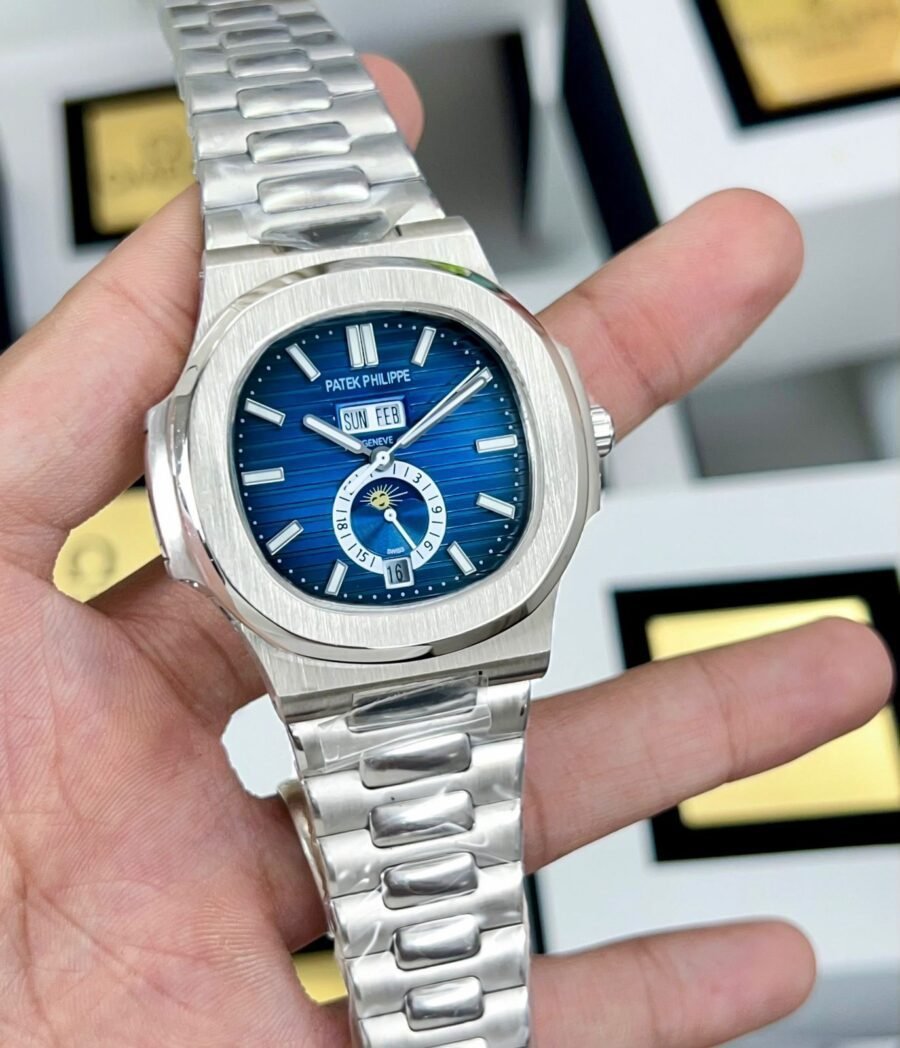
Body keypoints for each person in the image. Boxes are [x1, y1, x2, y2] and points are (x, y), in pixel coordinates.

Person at [0, 58, 892, 1047]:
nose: (382, 460)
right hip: (333, 660)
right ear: (181, 496)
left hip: (469, 625)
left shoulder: (478, 378)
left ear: (578, 438)